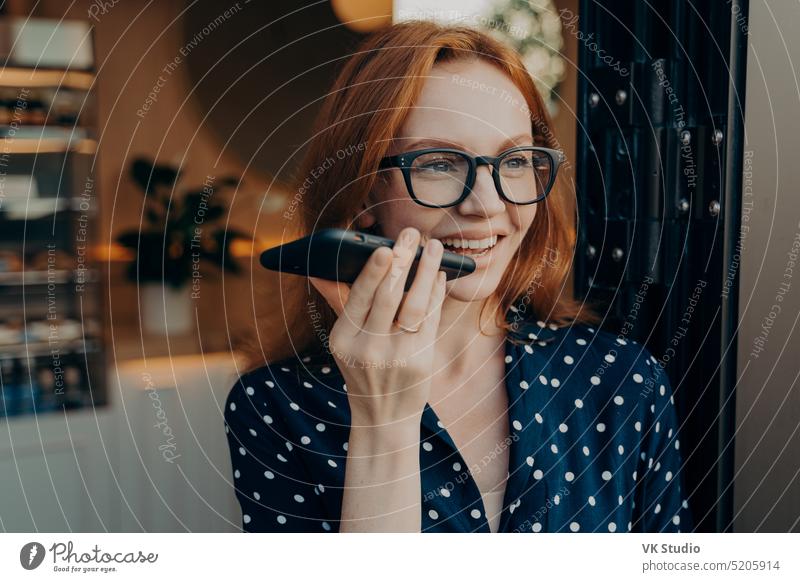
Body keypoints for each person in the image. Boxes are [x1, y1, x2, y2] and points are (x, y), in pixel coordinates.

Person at [224, 20, 693, 533]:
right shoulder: (275, 406)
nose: (488, 205)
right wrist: (385, 423)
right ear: (364, 193)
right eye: (440, 164)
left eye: (514, 161)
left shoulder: (621, 380)